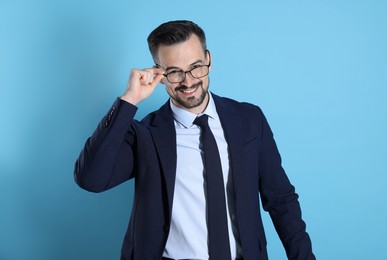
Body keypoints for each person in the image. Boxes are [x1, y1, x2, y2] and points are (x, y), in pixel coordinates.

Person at [74, 20, 315, 260]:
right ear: (159, 73)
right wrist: (128, 101)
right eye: (174, 72)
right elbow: (91, 180)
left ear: (209, 59)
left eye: (196, 67)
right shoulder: (146, 134)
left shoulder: (249, 119)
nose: (188, 81)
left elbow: (281, 199)